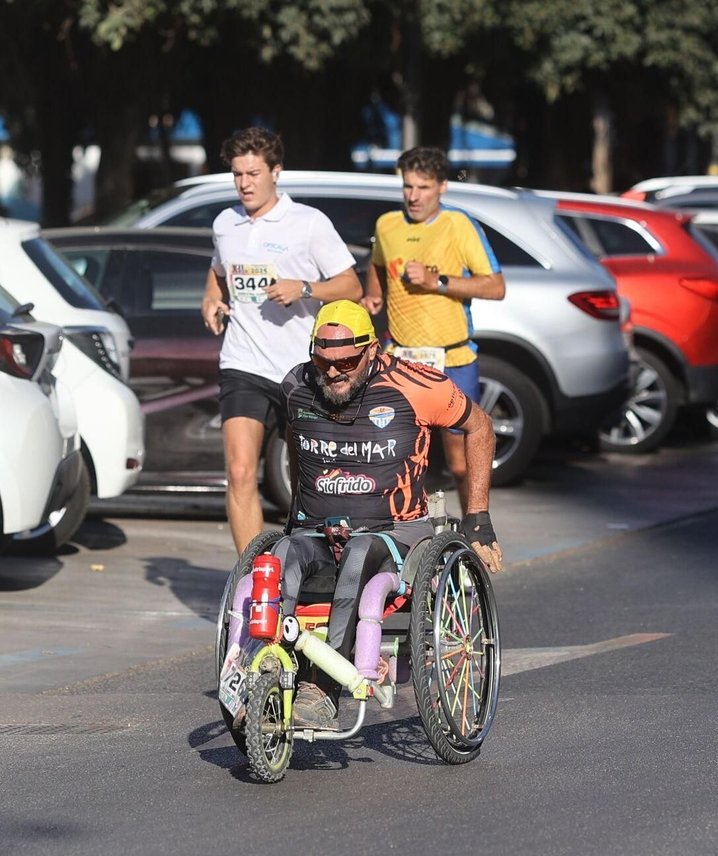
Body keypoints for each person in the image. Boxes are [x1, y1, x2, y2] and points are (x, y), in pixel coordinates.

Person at [272, 300, 504, 728]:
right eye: (323, 361)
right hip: (318, 530)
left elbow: (480, 426)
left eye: (346, 361)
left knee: (361, 554)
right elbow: (295, 438)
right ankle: (268, 674)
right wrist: (297, 510)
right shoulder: (295, 385)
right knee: (281, 557)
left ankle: (322, 690)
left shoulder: (418, 385)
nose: (334, 372)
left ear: (373, 350)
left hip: (395, 533)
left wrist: (478, 519)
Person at [200, 127, 362, 553]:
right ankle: (255, 581)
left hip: (301, 368)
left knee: (306, 477)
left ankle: (308, 563)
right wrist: (211, 299)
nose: (244, 183)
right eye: (237, 174)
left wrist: (304, 289)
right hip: (243, 363)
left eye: (253, 173)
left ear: (276, 171)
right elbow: (219, 271)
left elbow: (351, 286)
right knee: (238, 471)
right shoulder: (225, 223)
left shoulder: (308, 223)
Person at [363, 147, 505, 513]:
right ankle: (404, 536)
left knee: (460, 461)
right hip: (401, 359)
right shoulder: (386, 224)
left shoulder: (458, 225)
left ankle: (474, 528)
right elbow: (377, 265)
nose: (413, 196)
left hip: (452, 356)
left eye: (423, 187)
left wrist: (437, 281)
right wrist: (374, 296)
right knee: (395, 459)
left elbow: (495, 286)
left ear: (442, 186)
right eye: (408, 186)